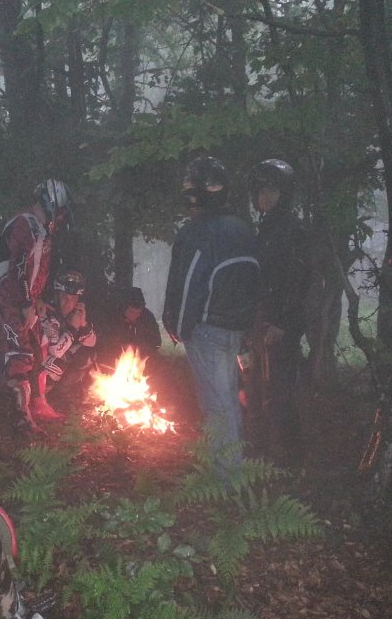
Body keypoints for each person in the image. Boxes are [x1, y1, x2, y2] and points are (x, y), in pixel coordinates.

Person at [162, 156, 260, 480]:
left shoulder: (197, 232)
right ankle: (234, 464)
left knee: (217, 404)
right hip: (236, 329)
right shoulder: (241, 229)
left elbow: (189, 283)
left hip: (207, 331)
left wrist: (178, 327)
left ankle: (226, 477)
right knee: (228, 398)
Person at [0, 178, 72, 434]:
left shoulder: (40, 229)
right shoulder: (25, 224)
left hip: (27, 299)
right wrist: (26, 302)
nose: (60, 218)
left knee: (37, 351)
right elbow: (19, 266)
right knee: (20, 356)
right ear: (50, 203)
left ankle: (37, 405)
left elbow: (36, 271)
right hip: (11, 299)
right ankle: (21, 420)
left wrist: (37, 299)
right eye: (59, 211)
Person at [245, 158, 314, 463]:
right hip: (260, 323)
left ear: (285, 193)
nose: (266, 197)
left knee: (280, 395)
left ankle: (291, 459)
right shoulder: (265, 231)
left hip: (280, 327)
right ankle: (261, 457)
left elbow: (300, 284)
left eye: (272, 190)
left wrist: (284, 324)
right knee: (255, 392)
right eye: (261, 191)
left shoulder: (294, 231)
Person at [37, 269, 98, 402]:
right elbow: (55, 351)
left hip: (53, 356)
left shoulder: (75, 312)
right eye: (64, 297)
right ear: (57, 295)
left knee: (88, 355)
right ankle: (40, 397)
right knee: (57, 364)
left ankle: (62, 393)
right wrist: (73, 328)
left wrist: (83, 323)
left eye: (73, 299)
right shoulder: (47, 311)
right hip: (37, 361)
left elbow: (92, 343)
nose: (68, 303)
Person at [116, 287, 162, 366]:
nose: (135, 315)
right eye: (131, 312)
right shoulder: (114, 318)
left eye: (138, 313)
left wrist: (139, 348)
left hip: (141, 359)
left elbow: (156, 342)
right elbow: (106, 341)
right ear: (124, 308)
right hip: (118, 358)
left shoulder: (147, 318)